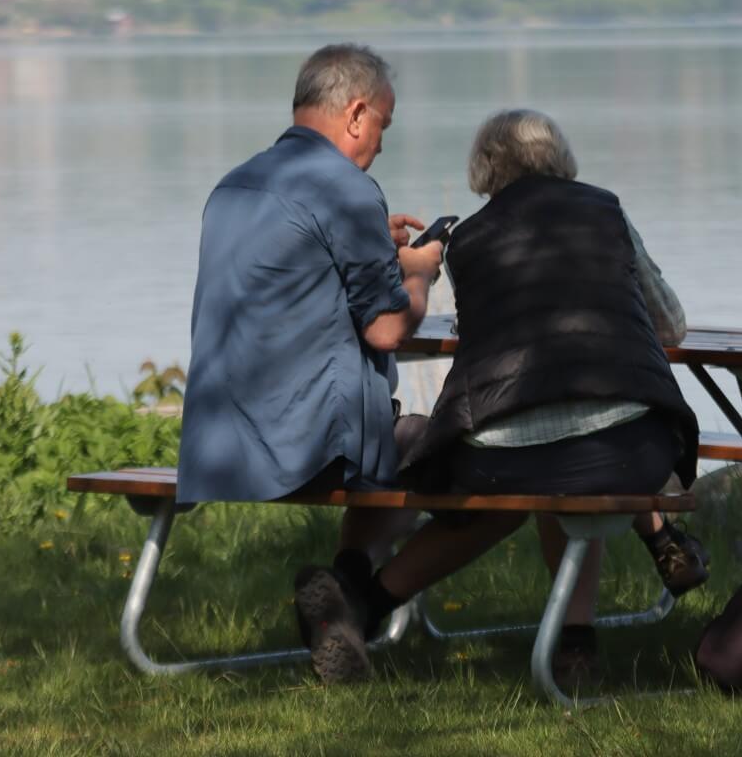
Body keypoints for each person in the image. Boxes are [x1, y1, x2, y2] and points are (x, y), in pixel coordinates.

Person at [293, 107, 707, 685]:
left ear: (485, 168)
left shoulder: (468, 242)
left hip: (504, 457)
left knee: (537, 459)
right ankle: (581, 638)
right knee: (584, 439)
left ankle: (363, 602)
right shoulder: (605, 210)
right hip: (631, 454)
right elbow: (672, 326)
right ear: (560, 157)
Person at [176, 44, 443, 664]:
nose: (380, 143)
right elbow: (386, 330)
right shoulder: (346, 187)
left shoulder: (236, 183)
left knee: (401, 439)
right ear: (355, 114)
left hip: (217, 445)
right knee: (456, 450)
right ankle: (359, 592)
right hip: (302, 449)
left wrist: (381, 251)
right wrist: (422, 274)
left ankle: (343, 597)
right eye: (382, 125)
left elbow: (298, 271)